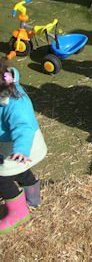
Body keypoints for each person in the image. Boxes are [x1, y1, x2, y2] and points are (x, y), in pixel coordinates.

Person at [0, 63, 47, 234]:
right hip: (10, 144)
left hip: (22, 146)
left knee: (2, 177)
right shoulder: (4, 90)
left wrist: (20, 150)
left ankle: (18, 212)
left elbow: (23, 127)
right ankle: (33, 197)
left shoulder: (15, 103)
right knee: (18, 170)